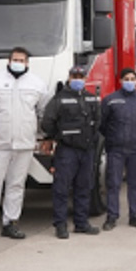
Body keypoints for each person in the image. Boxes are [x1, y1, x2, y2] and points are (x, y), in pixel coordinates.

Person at [0, 47, 51, 242]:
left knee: (16, 185)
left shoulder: (37, 84)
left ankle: (11, 222)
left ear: (27, 63)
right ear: (8, 61)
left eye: (22, 60)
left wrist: (45, 137)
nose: (18, 62)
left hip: (24, 144)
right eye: (15, 59)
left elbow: (43, 113)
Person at [41, 66, 101, 238]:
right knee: (61, 188)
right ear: (69, 78)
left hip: (87, 150)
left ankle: (81, 223)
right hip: (67, 150)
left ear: (85, 78)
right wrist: (53, 137)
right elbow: (48, 121)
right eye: (74, 76)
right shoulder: (59, 99)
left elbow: (98, 121)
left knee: (84, 187)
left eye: (81, 76)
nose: (78, 79)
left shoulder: (91, 99)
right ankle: (60, 225)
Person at [100, 68, 136, 230]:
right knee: (113, 184)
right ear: (121, 81)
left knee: (135, 184)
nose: (130, 82)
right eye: (127, 79)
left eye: (133, 79)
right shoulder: (110, 100)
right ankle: (112, 216)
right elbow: (102, 125)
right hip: (115, 149)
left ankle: (135, 216)